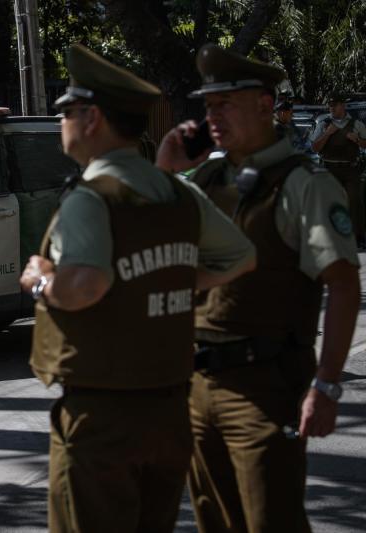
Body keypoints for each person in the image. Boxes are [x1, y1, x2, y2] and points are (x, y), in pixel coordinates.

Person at [20, 43, 256, 533]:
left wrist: (39, 280)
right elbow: (241, 257)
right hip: (169, 409)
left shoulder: (92, 197)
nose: (61, 120)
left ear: (92, 119)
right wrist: (170, 281)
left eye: (67, 110)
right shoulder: (177, 191)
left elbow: (85, 286)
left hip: (103, 418)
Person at [157, 44, 361, 533]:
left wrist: (327, 385)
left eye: (223, 105)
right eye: (207, 107)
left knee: (270, 520)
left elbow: (344, 285)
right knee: (214, 519)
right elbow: (149, 239)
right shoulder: (206, 177)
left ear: (265, 106)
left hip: (265, 384)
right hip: (197, 384)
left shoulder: (304, 185)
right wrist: (164, 168)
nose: (212, 117)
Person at [311, 93, 366, 246]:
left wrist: (357, 139)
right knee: (329, 201)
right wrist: (327, 134)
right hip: (329, 169)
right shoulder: (324, 123)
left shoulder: (356, 124)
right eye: (330, 105)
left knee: (354, 200)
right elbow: (315, 147)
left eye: (335, 104)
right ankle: (329, 236)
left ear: (343, 106)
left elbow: (365, 144)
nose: (332, 107)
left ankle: (358, 237)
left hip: (350, 169)